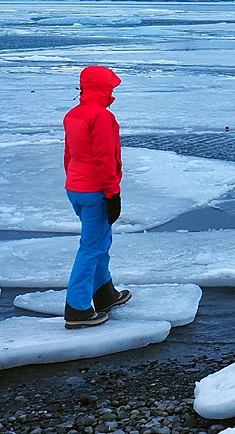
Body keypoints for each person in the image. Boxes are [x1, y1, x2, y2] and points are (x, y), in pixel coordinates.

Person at [62, 65, 132, 328]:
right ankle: (77, 308)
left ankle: (105, 293)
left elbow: (69, 156)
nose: (113, 91)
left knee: (100, 240)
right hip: (95, 191)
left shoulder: (74, 115)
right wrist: (113, 193)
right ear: (103, 88)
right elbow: (105, 159)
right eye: (111, 87)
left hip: (77, 189)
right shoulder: (102, 117)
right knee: (91, 248)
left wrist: (75, 183)